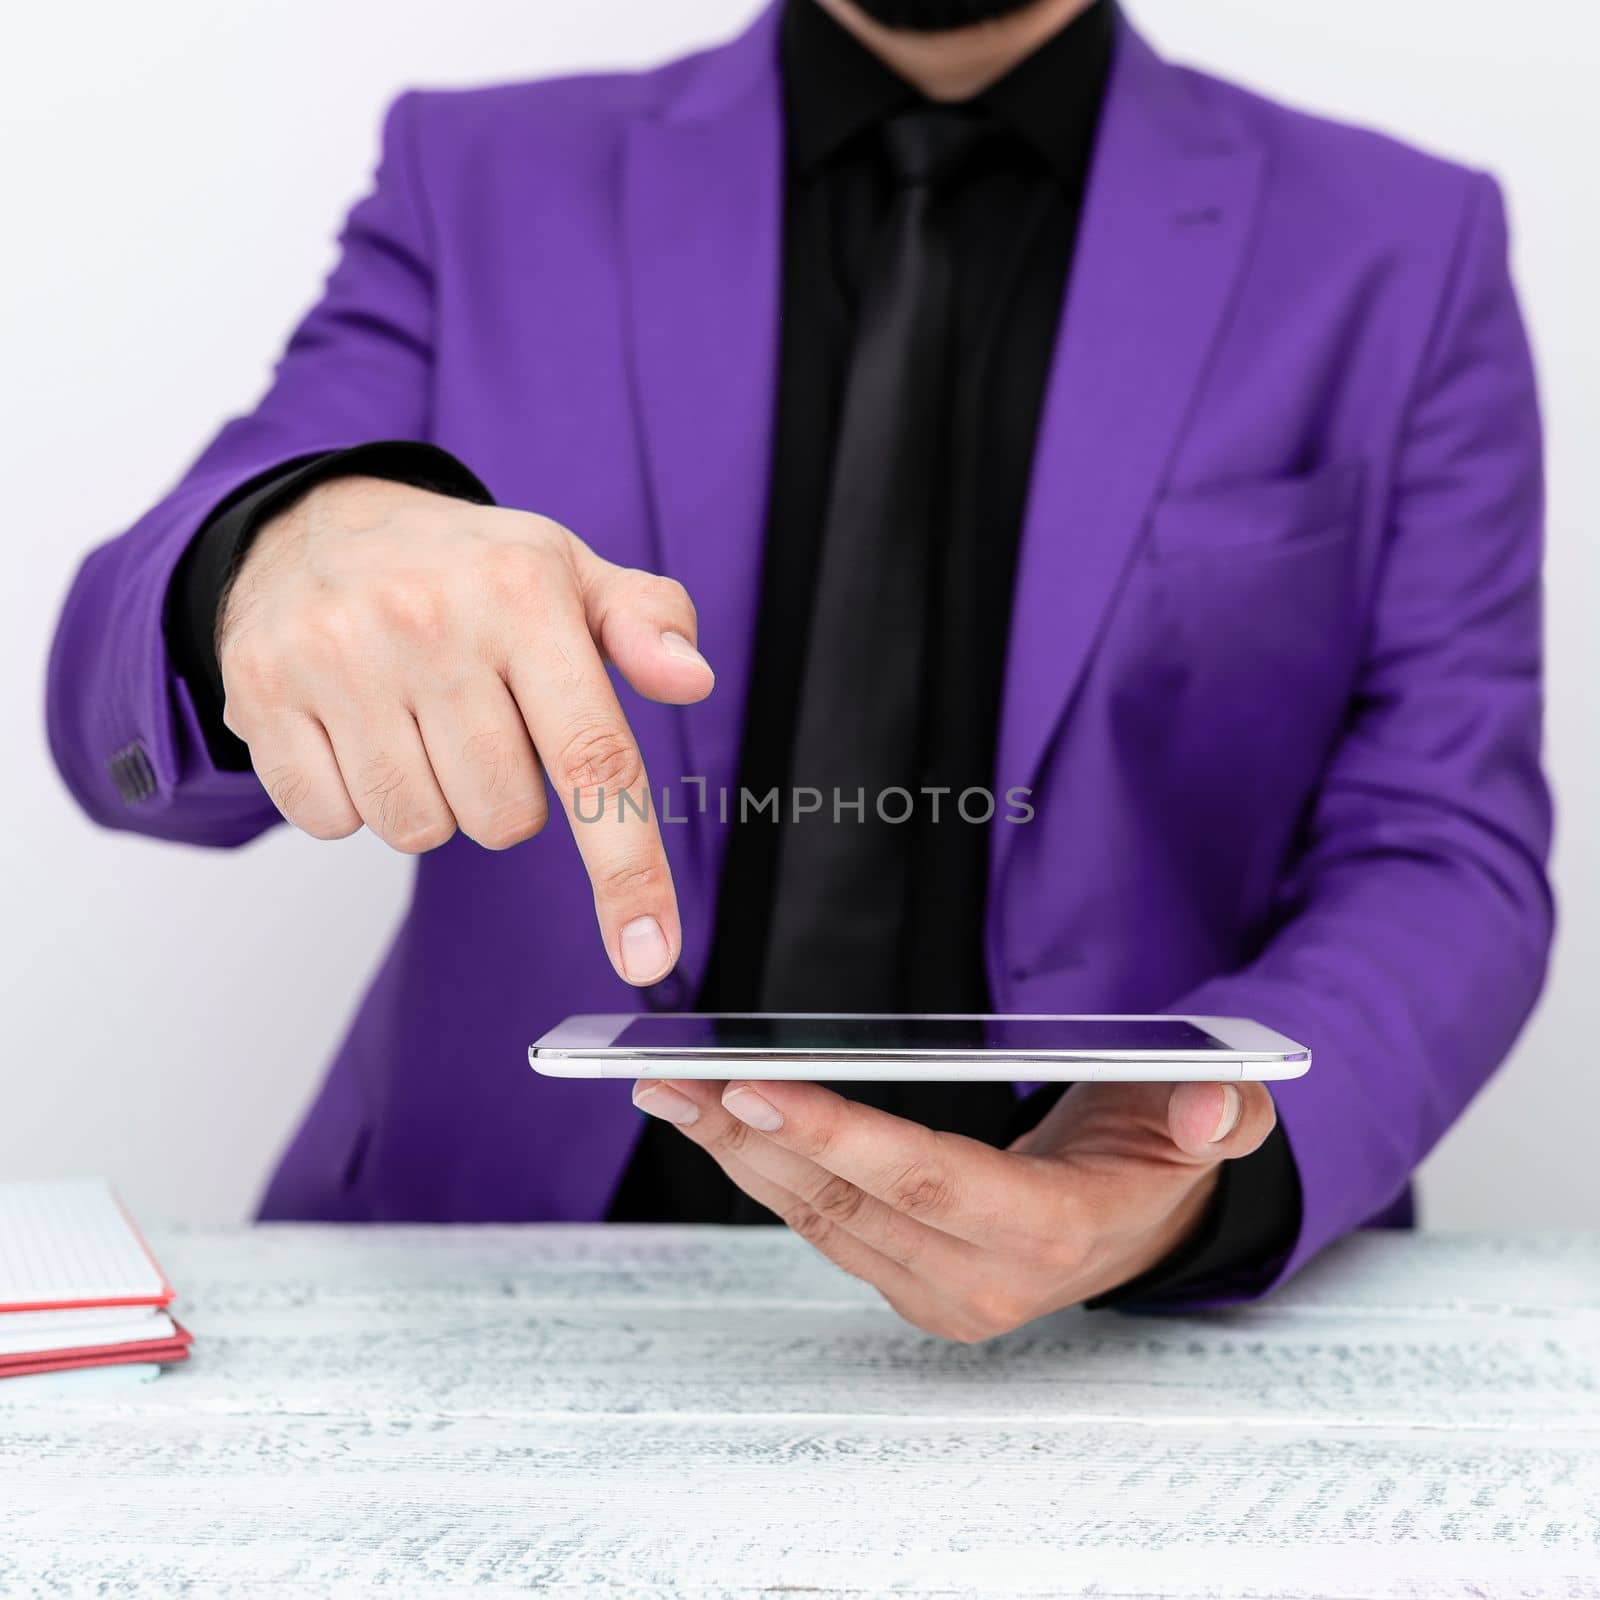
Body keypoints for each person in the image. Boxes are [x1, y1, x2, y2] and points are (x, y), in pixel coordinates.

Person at [46, 0, 1551, 1341]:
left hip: (1116, 1325)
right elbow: (111, 743)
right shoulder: (483, 178)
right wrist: (255, 566)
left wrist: (1193, 1170)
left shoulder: (1402, 245)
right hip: (488, 1289)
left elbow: (1446, 844)